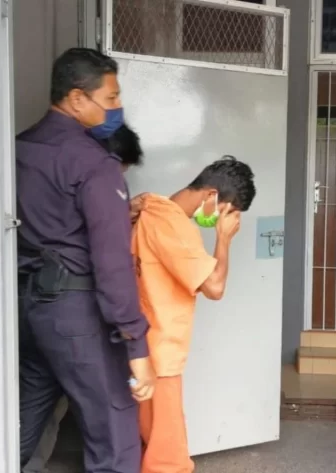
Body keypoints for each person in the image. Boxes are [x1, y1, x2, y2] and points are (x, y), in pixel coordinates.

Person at [16, 47, 155, 473]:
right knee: (114, 437)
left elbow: (52, 222)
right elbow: (112, 265)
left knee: (23, 422)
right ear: (77, 98)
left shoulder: (20, 149)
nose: (117, 107)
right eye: (111, 97)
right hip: (77, 315)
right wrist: (136, 344)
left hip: (29, 307)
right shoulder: (94, 163)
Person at [132, 156, 256, 473]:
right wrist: (223, 240)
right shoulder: (173, 225)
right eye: (227, 212)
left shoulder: (150, 209)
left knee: (145, 440)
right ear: (212, 195)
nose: (222, 220)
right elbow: (214, 287)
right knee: (167, 456)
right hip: (159, 354)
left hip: (137, 347)